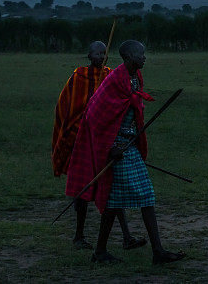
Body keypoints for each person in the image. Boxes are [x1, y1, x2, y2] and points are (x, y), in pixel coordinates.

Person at [66, 40, 185, 265]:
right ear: (129, 57)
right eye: (141, 54)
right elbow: (93, 115)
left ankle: (148, 251)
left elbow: (130, 110)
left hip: (128, 146)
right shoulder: (115, 80)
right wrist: (110, 148)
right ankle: (106, 252)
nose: (144, 58)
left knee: (129, 198)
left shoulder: (135, 78)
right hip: (117, 148)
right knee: (127, 198)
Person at [52, 41, 145, 251]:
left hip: (106, 137)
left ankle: (127, 236)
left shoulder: (111, 76)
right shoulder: (79, 77)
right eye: (97, 53)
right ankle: (79, 235)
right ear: (88, 55)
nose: (101, 56)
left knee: (113, 186)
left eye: (104, 53)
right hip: (82, 138)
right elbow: (68, 106)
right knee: (82, 188)